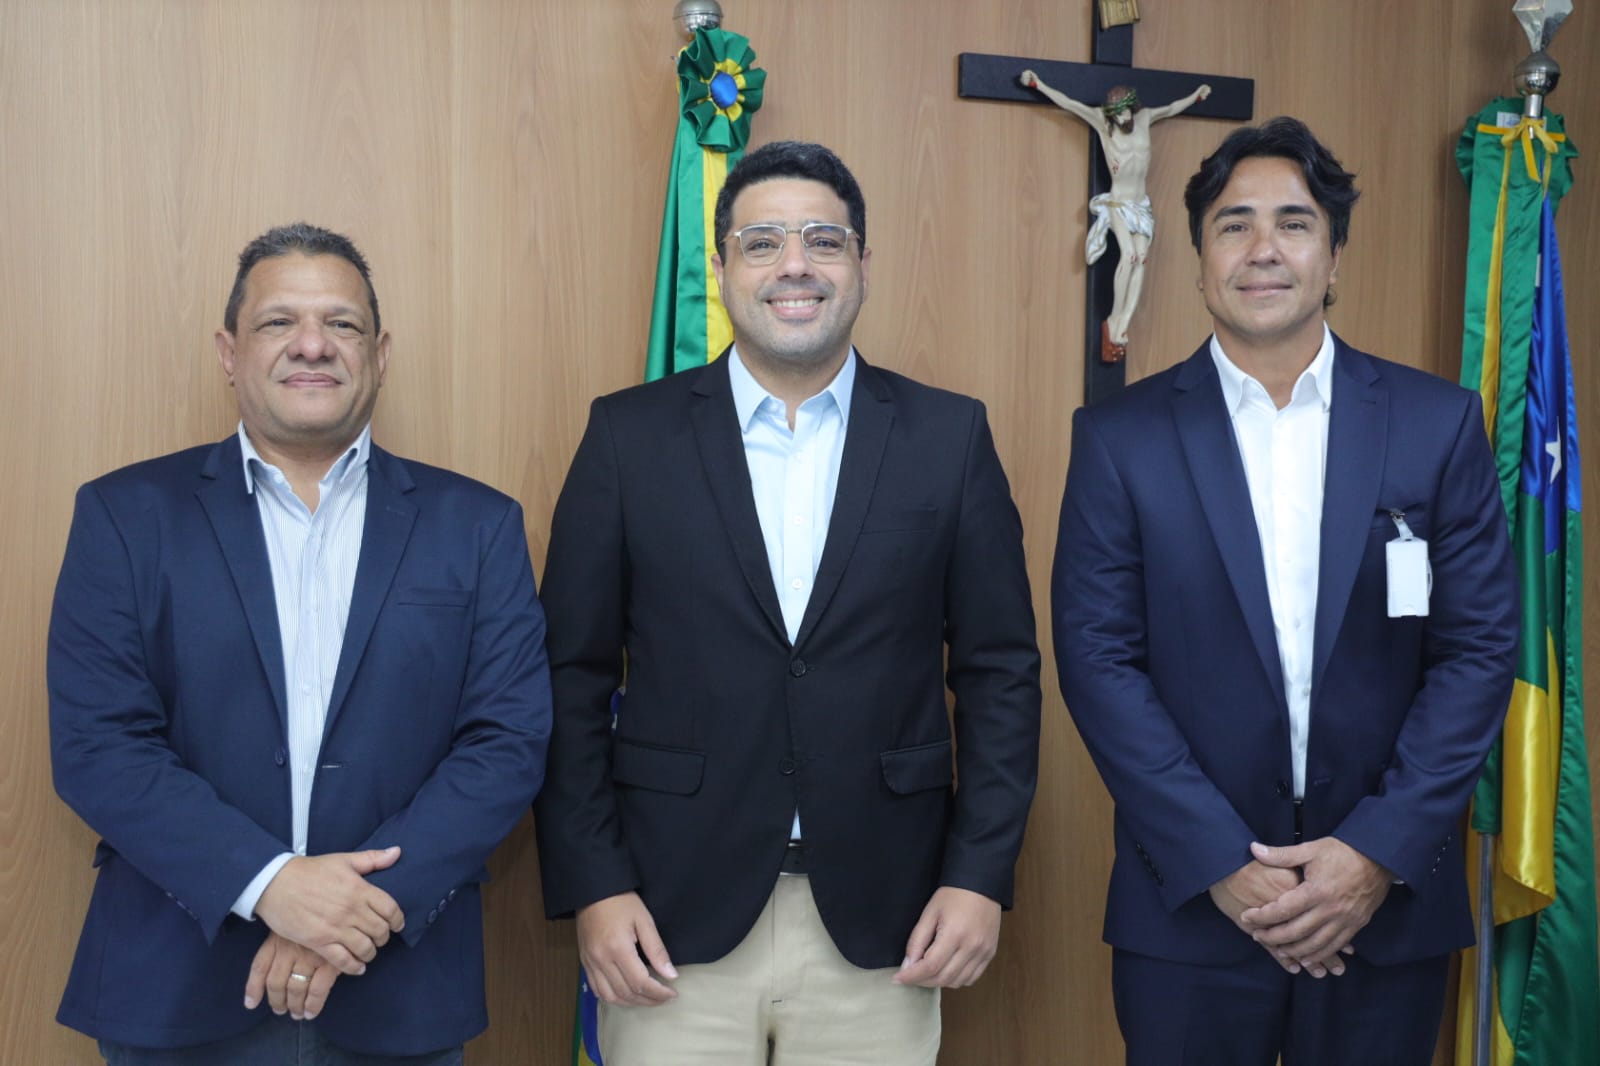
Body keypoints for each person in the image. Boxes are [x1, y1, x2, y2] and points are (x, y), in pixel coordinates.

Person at [534, 140, 1041, 1065]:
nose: (795, 265)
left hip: (888, 922)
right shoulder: (627, 436)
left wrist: (978, 877)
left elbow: (1000, 674)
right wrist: (595, 884)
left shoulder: (949, 436)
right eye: (762, 242)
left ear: (863, 265)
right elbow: (569, 676)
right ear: (722, 267)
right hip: (668, 921)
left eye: (824, 240)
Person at [1051, 117, 1518, 1065]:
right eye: (1234, 225)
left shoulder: (1435, 425)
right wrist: (1222, 862)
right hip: (1191, 908)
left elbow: (1477, 652)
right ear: (1199, 261)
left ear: (1334, 256)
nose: (1263, 249)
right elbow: (1098, 661)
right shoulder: (1121, 438)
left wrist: (1374, 853)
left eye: (1294, 223)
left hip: (1384, 909)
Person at [48, 223, 552, 1065]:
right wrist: (271, 885)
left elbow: (506, 743)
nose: (312, 345)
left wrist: (353, 911)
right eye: (278, 322)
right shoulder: (125, 516)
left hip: (399, 992)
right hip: (177, 990)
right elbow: (98, 745)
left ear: (380, 354)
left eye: (341, 324)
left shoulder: (478, 526)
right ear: (229, 352)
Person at [1019, 70, 1210, 361]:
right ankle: (1113, 318)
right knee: (1129, 255)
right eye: (1117, 114)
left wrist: (1196, 97)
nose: (1123, 118)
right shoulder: (1102, 123)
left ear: (1132, 107)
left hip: (1141, 204)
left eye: (1125, 112)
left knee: (1142, 259)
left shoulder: (1145, 119)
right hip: (1119, 203)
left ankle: (1123, 323)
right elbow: (1069, 103)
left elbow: (1172, 108)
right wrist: (1039, 84)